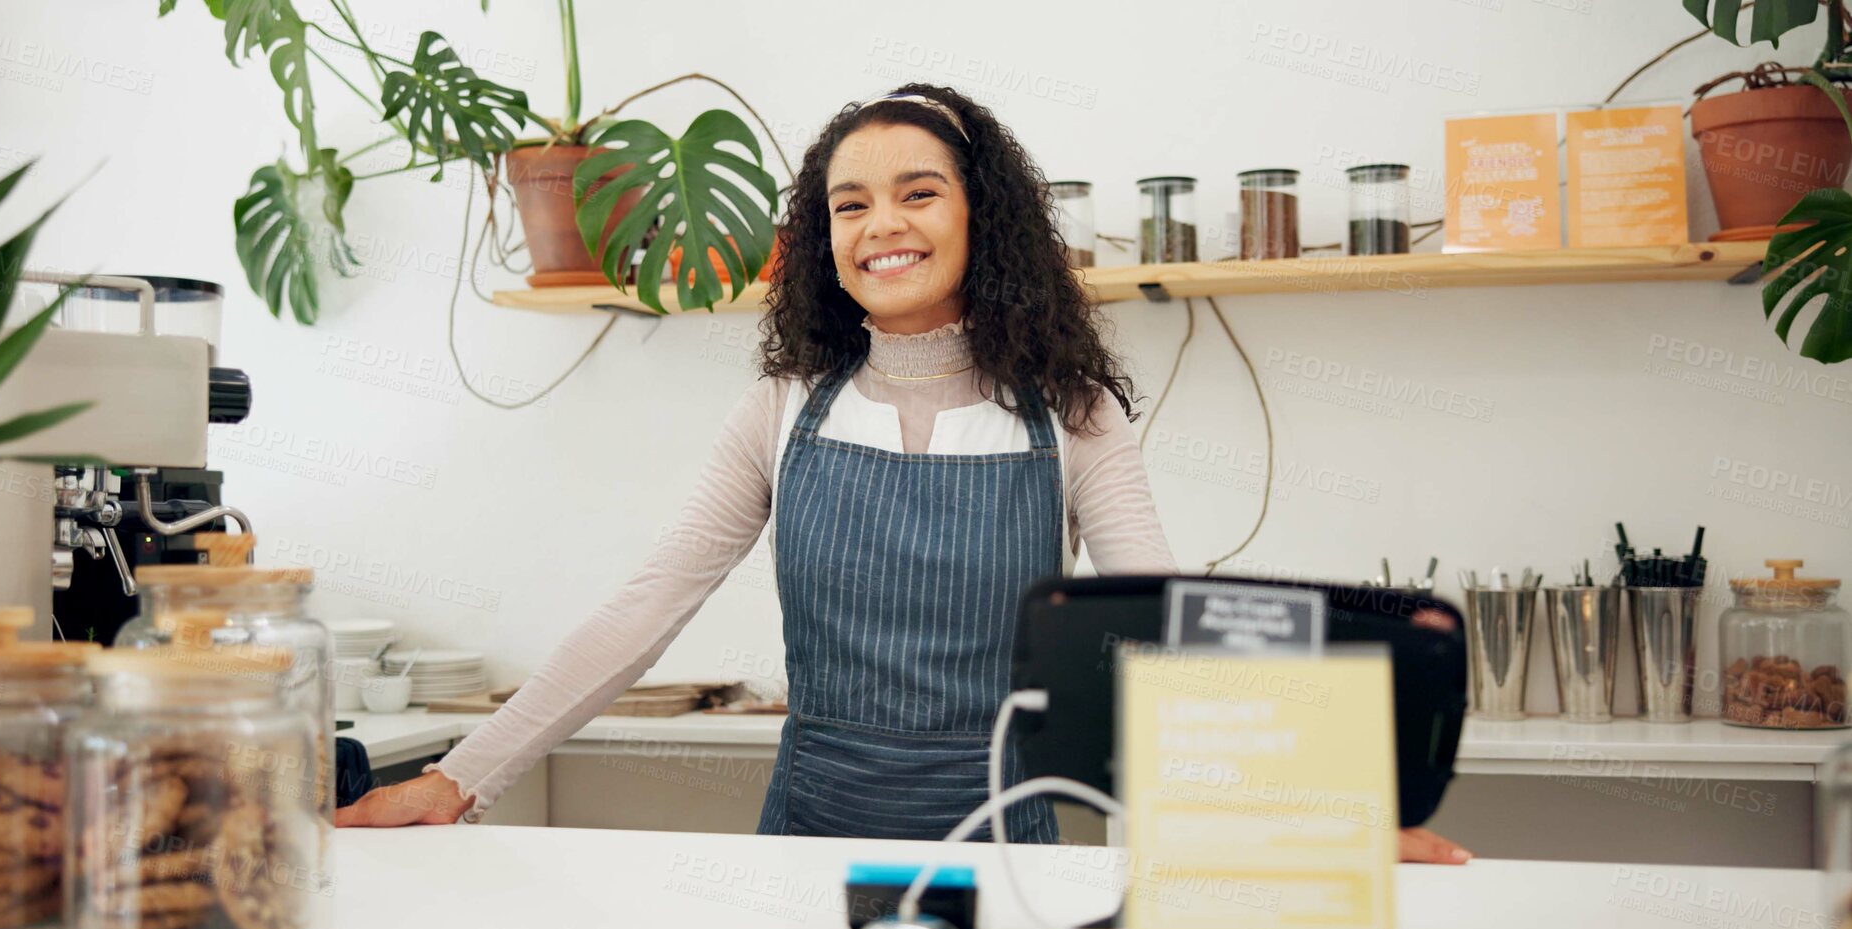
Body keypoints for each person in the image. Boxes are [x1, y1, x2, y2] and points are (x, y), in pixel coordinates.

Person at [337, 83, 1470, 863]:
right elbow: (648, 605)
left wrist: (1315, 817)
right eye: (850, 203)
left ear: (985, 216)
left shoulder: (1070, 417)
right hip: (808, 851)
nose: (883, 224)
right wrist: (461, 778)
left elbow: (1164, 636)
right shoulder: (778, 410)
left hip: (1010, 857)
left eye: (918, 192)